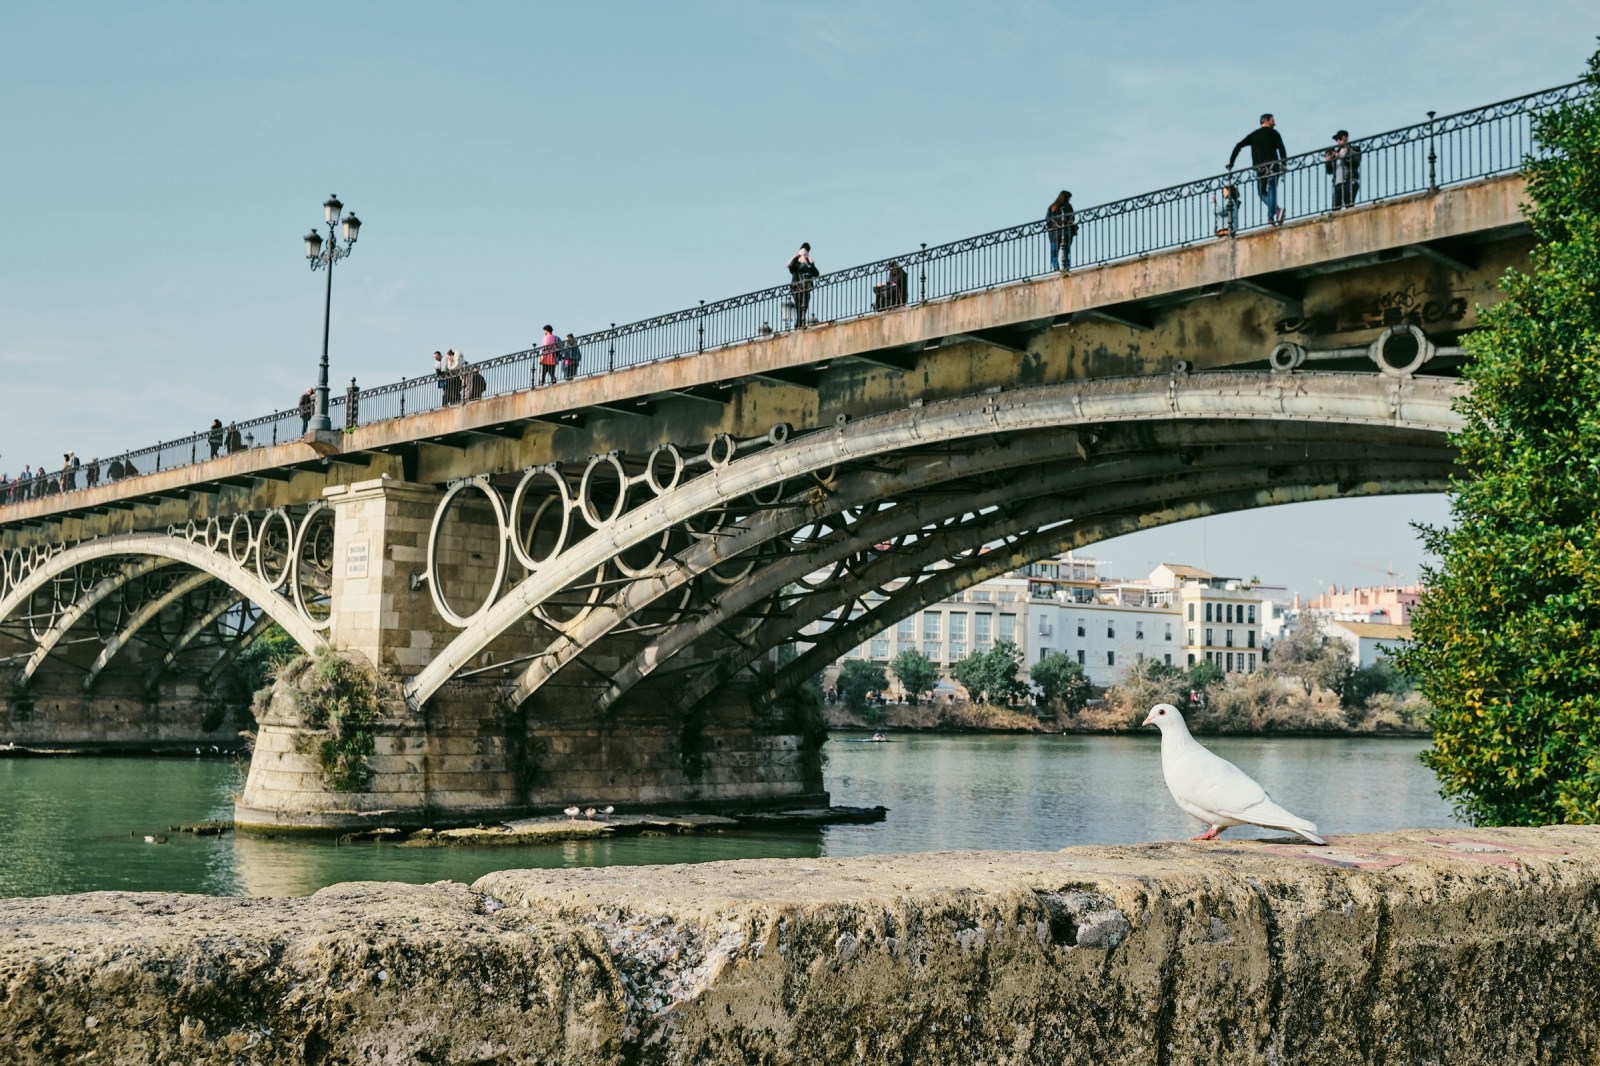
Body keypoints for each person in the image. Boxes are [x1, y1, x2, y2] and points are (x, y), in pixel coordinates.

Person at [1228, 113, 1288, 226]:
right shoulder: (1274, 133)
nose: (1274, 122)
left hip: (1260, 168)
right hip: (1273, 166)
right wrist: (1284, 164)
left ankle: (1275, 213)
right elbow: (1281, 149)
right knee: (1272, 189)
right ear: (1266, 120)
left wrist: (1231, 162)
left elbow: (1238, 145)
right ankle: (1273, 213)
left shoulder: (1254, 135)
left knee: (1262, 193)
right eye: (1272, 120)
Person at [1325, 130, 1362, 210]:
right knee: (1335, 210)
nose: (1338, 141)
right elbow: (1329, 171)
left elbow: (1356, 161)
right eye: (1337, 139)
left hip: (1350, 182)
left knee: (1349, 207)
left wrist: (1341, 156)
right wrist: (1328, 161)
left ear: (1346, 138)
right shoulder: (1336, 153)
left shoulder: (1354, 149)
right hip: (1337, 184)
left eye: (1339, 138)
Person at [786, 243, 819, 328]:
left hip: (806, 288)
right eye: (802, 254)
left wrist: (811, 263)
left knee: (805, 305)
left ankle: (800, 322)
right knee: (799, 305)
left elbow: (816, 274)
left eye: (805, 254)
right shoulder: (796, 264)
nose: (803, 256)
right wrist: (796, 256)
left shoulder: (808, 265)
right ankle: (799, 323)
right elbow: (790, 266)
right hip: (796, 288)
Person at [1046, 191, 1079, 271]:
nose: (1069, 199)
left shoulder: (1052, 207)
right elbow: (1072, 218)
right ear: (1065, 198)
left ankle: (1056, 267)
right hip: (1064, 231)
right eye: (1069, 198)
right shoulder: (1068, 206)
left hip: (1056, 232)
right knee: (1066, 251)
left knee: (1054, 252)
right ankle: (1066, 268)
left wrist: (1055, 224)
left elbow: (1048, 221)